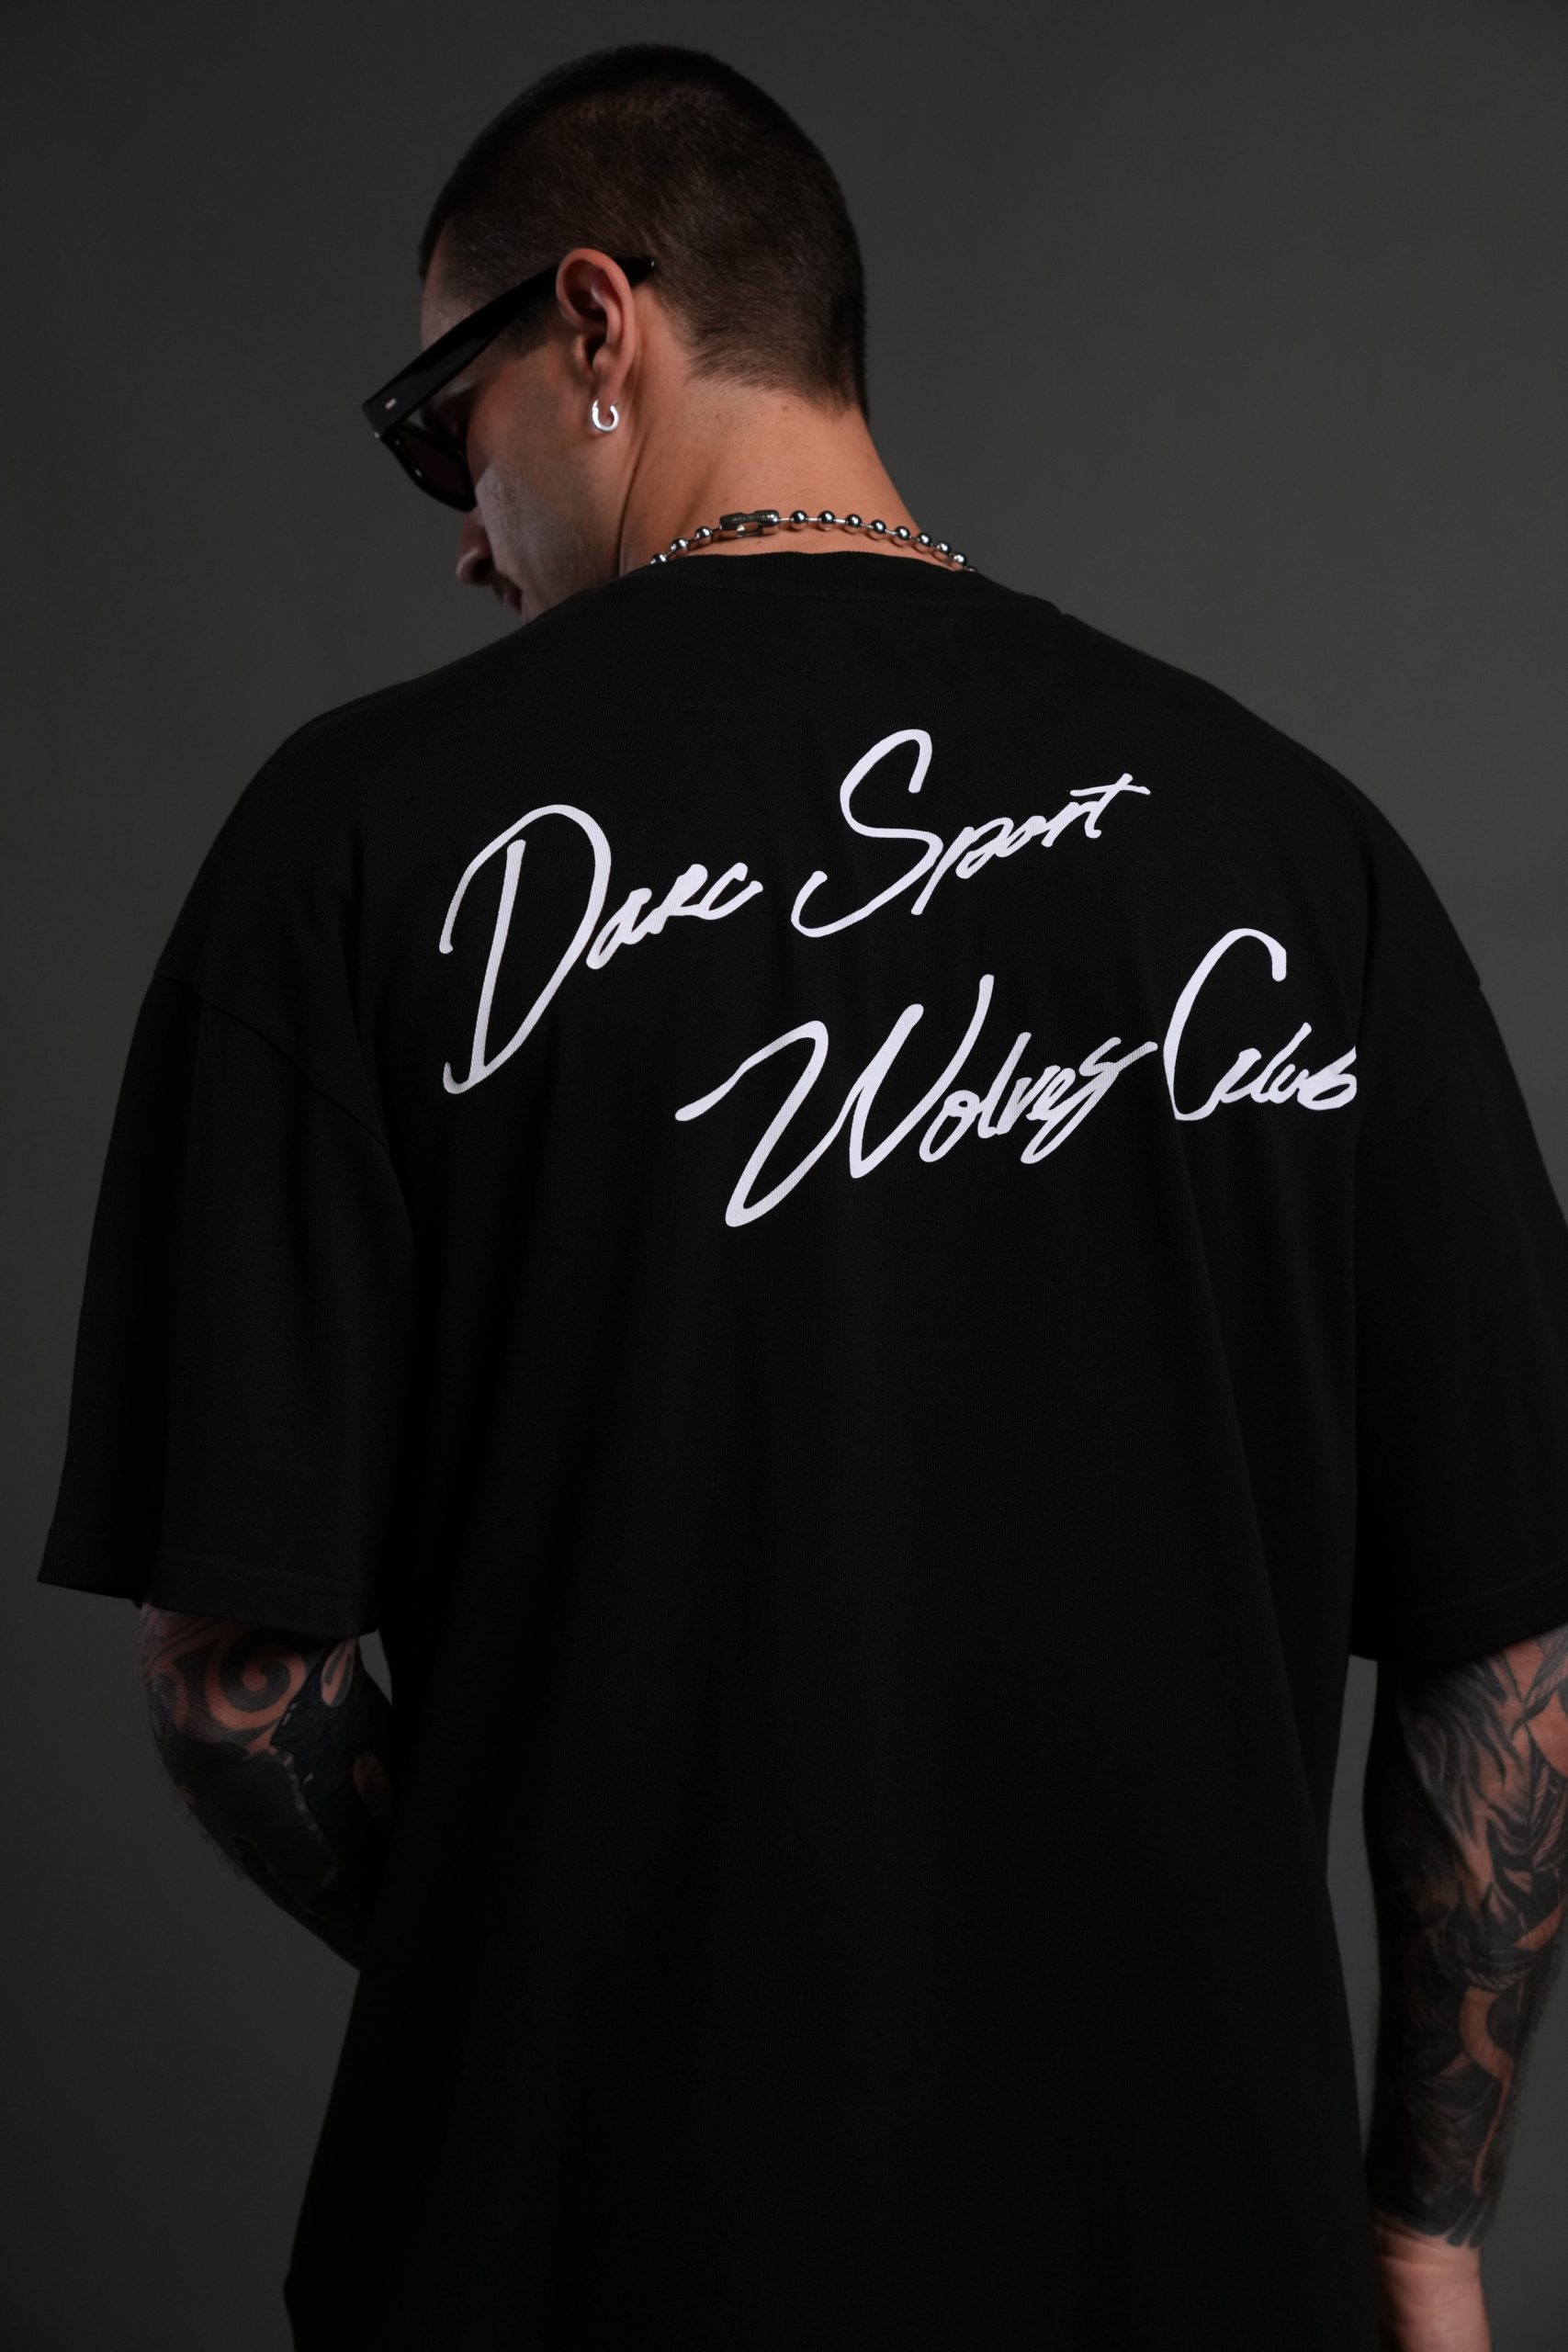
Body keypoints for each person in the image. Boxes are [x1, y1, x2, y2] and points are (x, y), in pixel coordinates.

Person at [36, 40, 1568, 2352]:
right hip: (1187, 2260)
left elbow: (238, 1682)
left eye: (438, 425)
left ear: (595, 324)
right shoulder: (1296, 852)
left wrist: (565, 1975)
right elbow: (1503, 1643)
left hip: (570, 2263)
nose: (459, 527)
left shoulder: (352, 845)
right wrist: (1423, 2227)